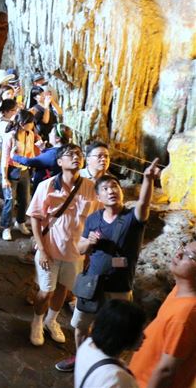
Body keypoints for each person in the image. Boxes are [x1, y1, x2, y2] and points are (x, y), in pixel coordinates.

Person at [55, 160, 160, 373]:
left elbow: (144, 204)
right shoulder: (93, 219)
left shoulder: (131, 219)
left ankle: (105, 367)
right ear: (99, 197)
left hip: (119, 286)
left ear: (121, 193)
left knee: (116, 332)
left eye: (114, 187)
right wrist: (89, 241)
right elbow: (81, 247)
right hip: (92, 283)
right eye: (105, 189)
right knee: (81, 327)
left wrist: (148, 179)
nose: (111, 191)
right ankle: (81, 360)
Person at [27, 144, 98, 347]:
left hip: (75, 252)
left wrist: (90, 251)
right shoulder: (47, 186)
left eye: (79, 154)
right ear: (59, 162)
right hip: (49, 248)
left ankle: (51, 320)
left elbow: (97, 219)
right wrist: (41, 250)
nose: (76, 157)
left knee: (63, 289)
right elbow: (35, 217)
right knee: (45, 291)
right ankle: (37, 321)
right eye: (70, 155)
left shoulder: (91, 189)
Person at [129, 240, 196, 388]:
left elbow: (166, 370)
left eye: (190, 256)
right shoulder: (179, 290)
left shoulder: (185, 315)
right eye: (183, 248)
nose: (178, 254)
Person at [74, 300, 146, 388]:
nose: (144, 336)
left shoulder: (87, 345)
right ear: (125, 335)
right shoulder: (118, 379)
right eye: (140, 331)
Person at [0, 110, 39, 241]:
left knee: (25, 199)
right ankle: (6, 227)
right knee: (10, 200)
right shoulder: (10, 136)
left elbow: (31, 153)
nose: (33, 124)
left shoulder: (30, 134)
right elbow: (4, 158)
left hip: (25, 171)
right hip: (11, 171)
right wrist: (4, 178)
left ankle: (20, 222)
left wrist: (33, 165)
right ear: (22, 124)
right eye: (31, 122)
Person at [13, 123, 73, 193]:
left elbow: (29, 162)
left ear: (57, 138)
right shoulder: (67, 151)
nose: (49, 134)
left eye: (51, 133)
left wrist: (14, 156)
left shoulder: (53, 154)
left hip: (46, 191)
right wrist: (43, 150)